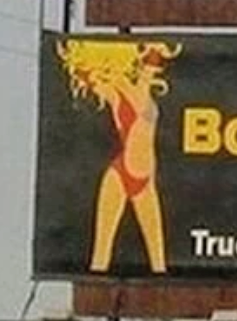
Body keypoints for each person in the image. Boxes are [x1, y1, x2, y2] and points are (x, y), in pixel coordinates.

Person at [57, 38, 181, 274]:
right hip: (119, 174)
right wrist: (85, 69)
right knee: (100, 256)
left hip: (145, 179)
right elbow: (90, 79)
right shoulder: (118, 92)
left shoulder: (137, 88)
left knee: (159, 263)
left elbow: (148, 73)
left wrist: (150, 55)